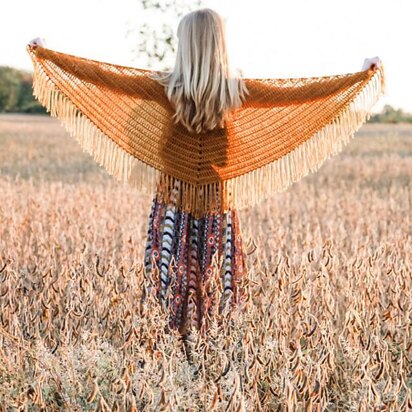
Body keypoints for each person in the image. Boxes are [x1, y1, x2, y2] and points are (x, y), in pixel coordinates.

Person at [28, 8, 383, 337]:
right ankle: (215, 342)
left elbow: (102, 78)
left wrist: (48, 56)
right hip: (217, 207)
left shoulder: (163, 86)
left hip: (172, 205)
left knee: (168, 276)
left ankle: (165, 340)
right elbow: (304, 94)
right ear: (220, 46)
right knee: (215, 276)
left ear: (185, 46)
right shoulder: (236, 91)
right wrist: (359, 75)